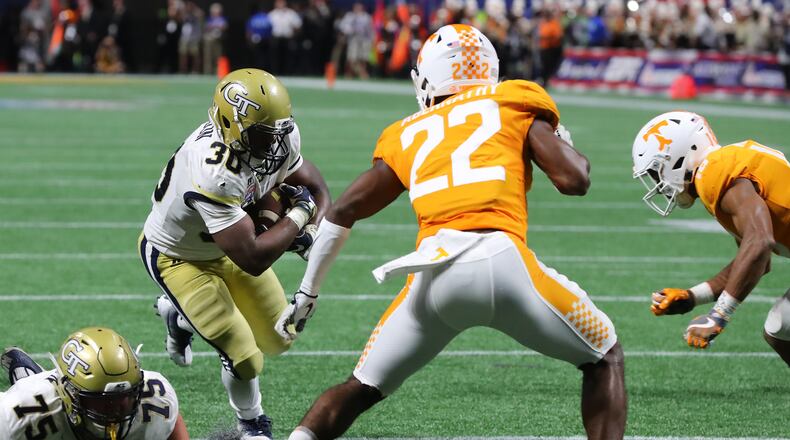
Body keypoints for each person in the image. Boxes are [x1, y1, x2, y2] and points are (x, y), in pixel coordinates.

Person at [277, 24, 626, 440]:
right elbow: (574, 180)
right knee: (604, 356)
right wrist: (560, 142)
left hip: (433, 274)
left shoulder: (407, 131)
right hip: (503, 261)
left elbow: (343, 211)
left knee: (361, 387)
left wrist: (307, 293)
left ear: (428, 77)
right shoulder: (512, 99)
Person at [139, 68, 330, 439]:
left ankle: (180, 317)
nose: (274, 145)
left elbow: (317, 187)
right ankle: (252, 424)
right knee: (244, 357)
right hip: (178, 256)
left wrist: (310, 230)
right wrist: (298, 216)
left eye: (278, 132)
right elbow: (253, 258)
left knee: (280, 336)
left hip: (229, 242)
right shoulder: (213, 168)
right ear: (231, 125)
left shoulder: (279, 137)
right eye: (263, 135)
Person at [632, 111, 790, 365]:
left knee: (781, 326)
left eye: (656, 172)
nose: (658, 183)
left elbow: (760, 243)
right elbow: (757, 261)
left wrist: (719, 315)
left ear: (679, 156)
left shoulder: (714, 173)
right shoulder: (721, 167)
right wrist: (692, 297)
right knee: (782, 327)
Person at [0, 327, 188, 439]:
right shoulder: (18, 414)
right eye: (102, 400)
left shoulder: (155, 397)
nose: (117, 409)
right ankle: (27, 376)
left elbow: (171, 422)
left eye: (126, 396)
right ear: (68, 393)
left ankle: (29, 373)